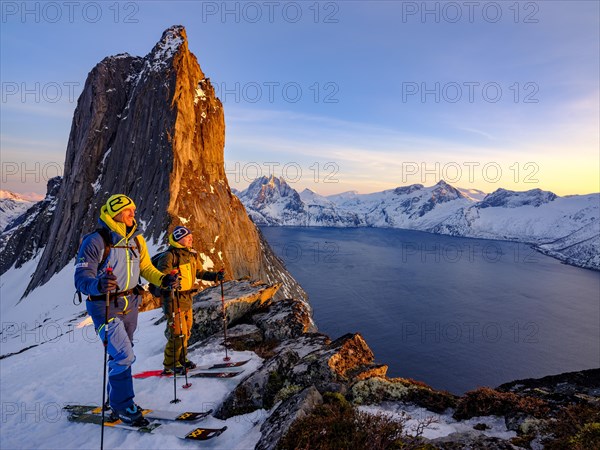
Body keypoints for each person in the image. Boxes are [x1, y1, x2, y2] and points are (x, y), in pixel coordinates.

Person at [74, 194, 179, 425]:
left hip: (130, 304)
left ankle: (115, 401)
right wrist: (98, 284)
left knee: (122, 352)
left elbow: (146, 268)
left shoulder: (136, 240)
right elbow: (81, 279)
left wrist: (163, 280)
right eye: (128, 210)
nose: (134, 214)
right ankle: (122, 406)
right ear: (116, 214)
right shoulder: (96, 241)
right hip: (104, 305)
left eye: (133, 209)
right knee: (123, 354)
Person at [154, 226, 224, 375]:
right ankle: (170, 364)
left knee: (187, 333)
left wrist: (215, 276)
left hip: (186, 299)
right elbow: (160, 278)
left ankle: (182, 359)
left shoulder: (192, 255)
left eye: (191, 236)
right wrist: (171, 280)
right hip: (173, 300)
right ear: (179, 239)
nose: (191, 239)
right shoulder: (169, 256)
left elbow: (199, 272)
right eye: (187, 237)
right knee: (177, 334)